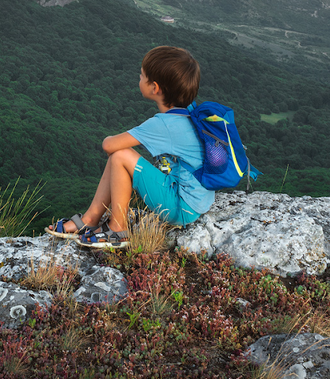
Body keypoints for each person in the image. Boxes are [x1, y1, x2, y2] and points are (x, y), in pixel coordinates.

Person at [45, 45, 214, 249]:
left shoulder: (164, 125)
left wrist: (110, 137)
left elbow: (109, 145)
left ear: (155, 88)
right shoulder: (189, 111)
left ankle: (117, 229)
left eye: (142, 76)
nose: (139, 78)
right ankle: (91, 218)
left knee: (119, 156)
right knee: (121, 156)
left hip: (181, 207)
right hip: (195, 201)